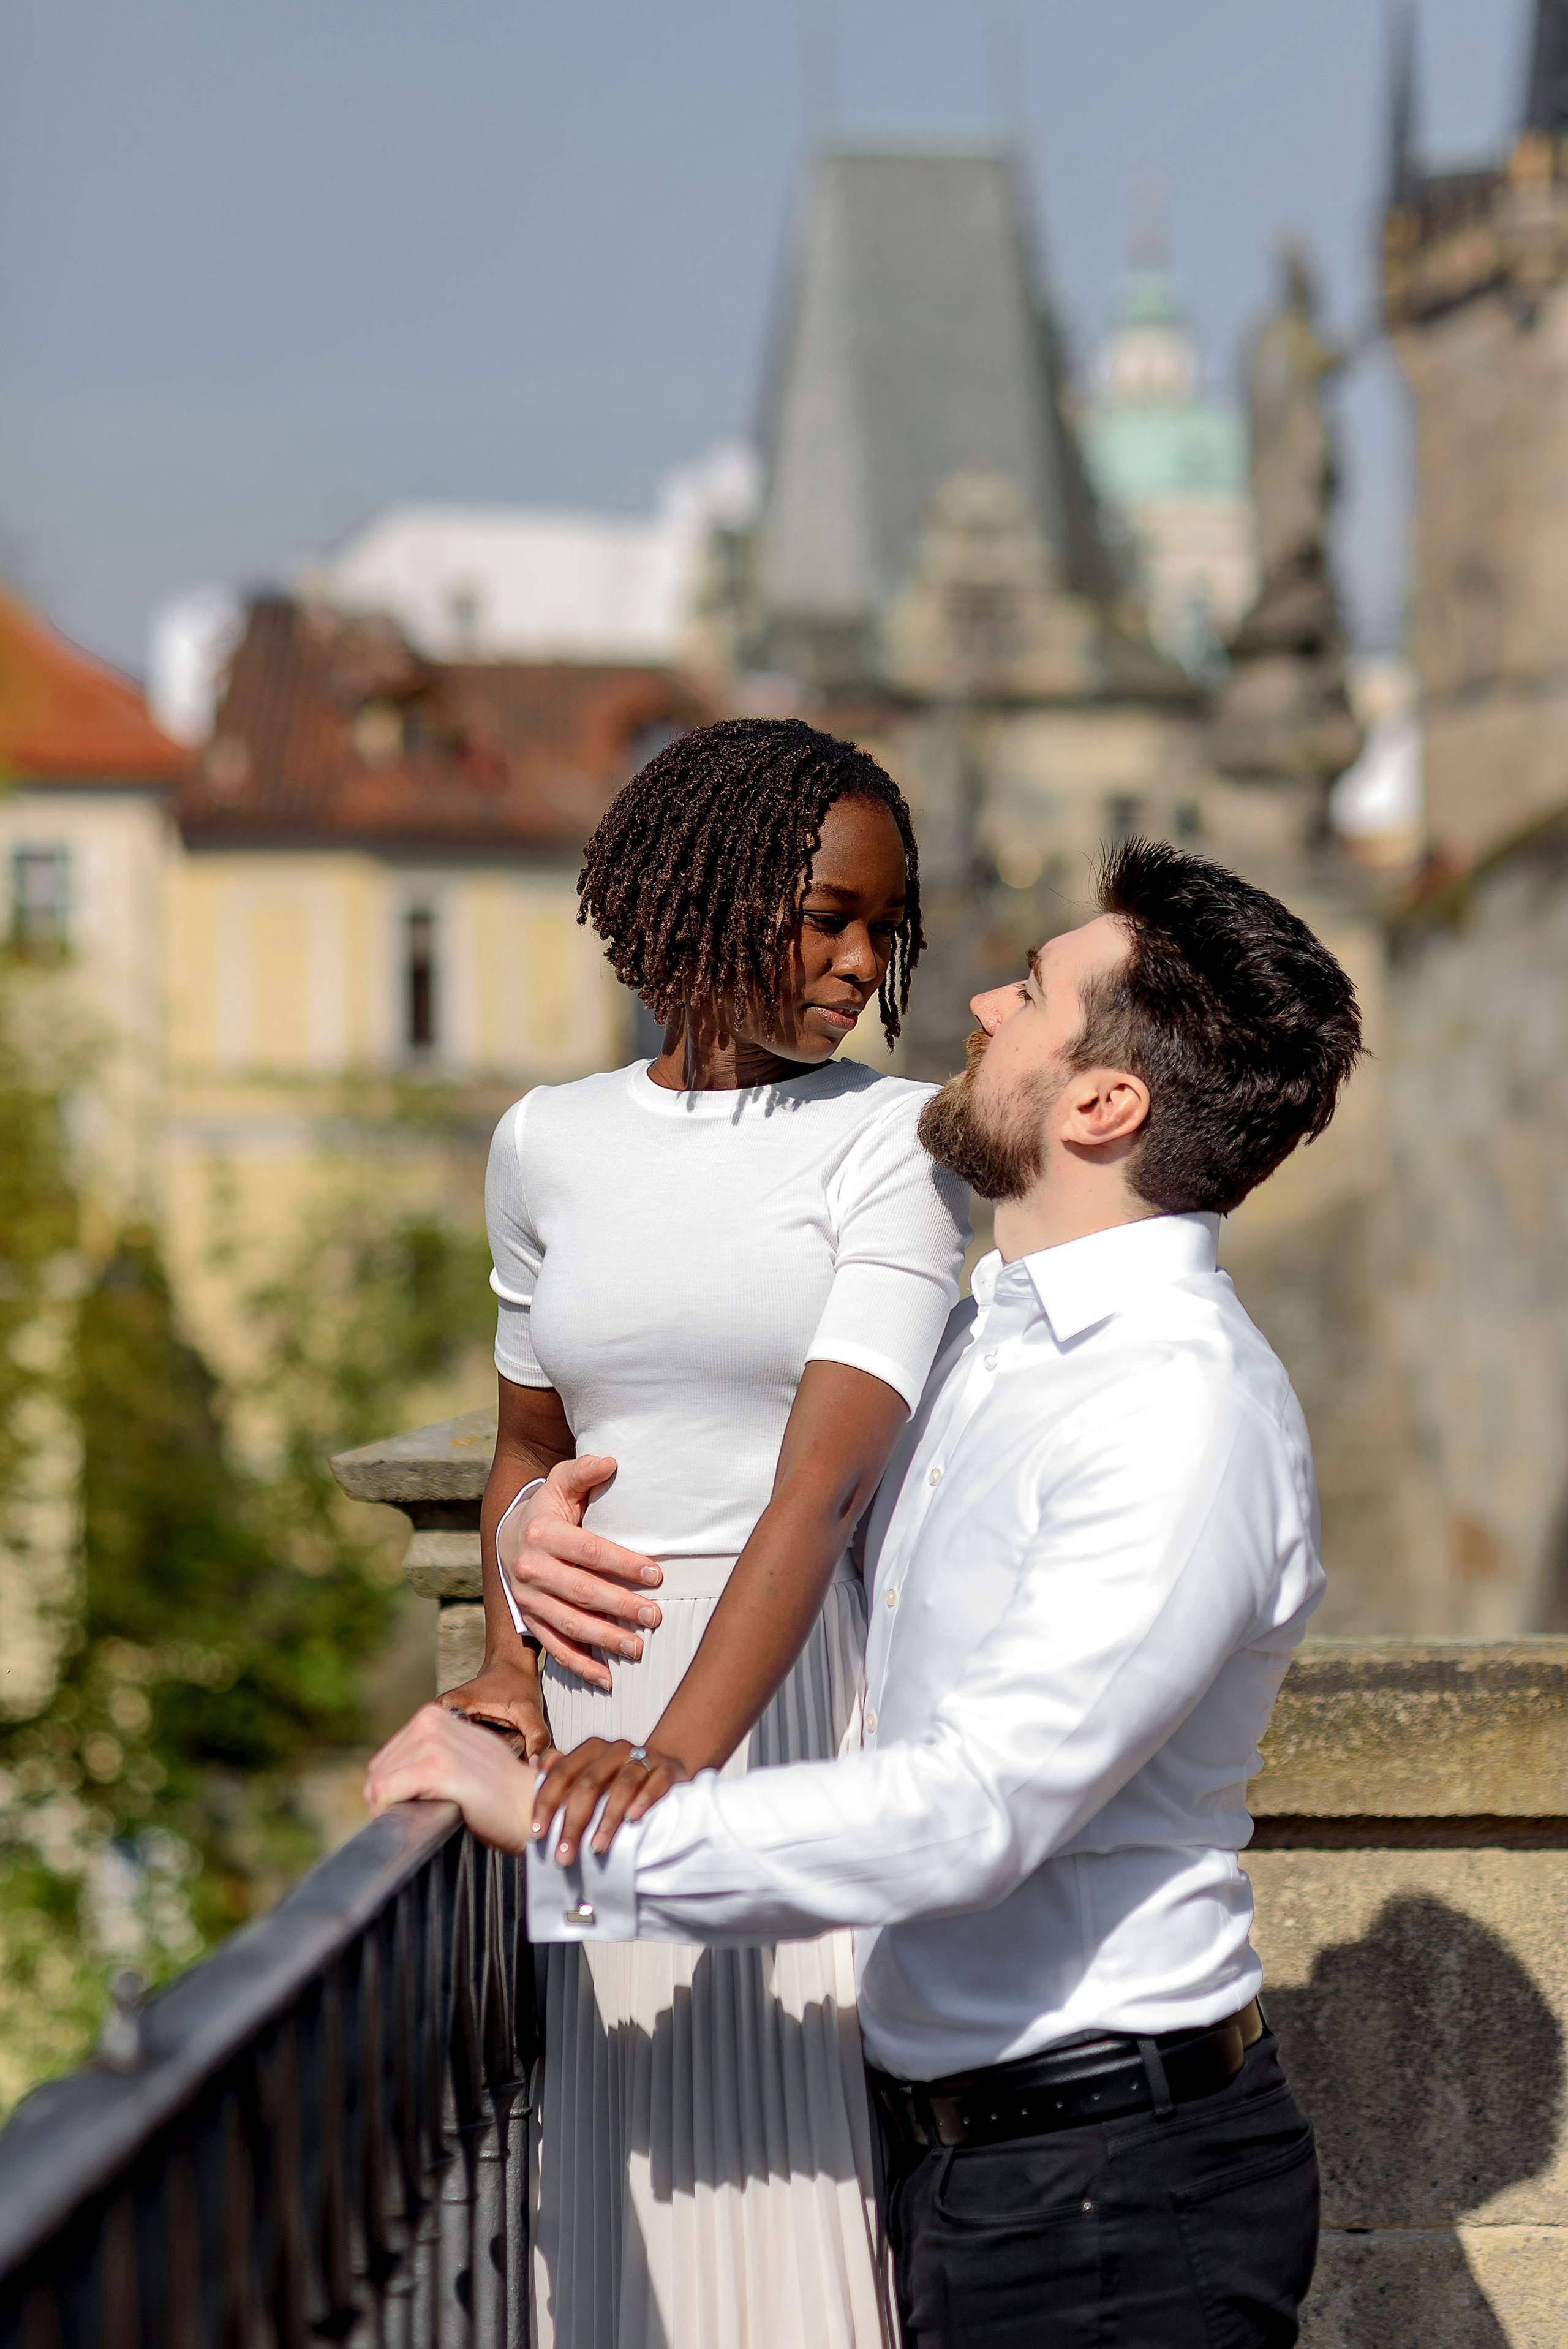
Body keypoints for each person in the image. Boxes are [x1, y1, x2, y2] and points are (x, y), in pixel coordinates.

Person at [368, 838, 1363, 2348]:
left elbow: (972, 1812)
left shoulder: (1178, 1415)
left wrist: (564, 1826)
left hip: (1105, 2196)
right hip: (970, 2157)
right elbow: (753, 1513)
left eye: (1027, 996)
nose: (969, 1001)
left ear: (1101, 1104)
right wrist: (534, 1544)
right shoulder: (990, 1352)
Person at [433, 716, 968, 2349]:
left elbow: (817, 1487)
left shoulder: (903, 1142)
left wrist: (670, 1766)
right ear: (714, 894)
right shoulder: (546, 1143)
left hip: (782, 1711)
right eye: (828, 916)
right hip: (595, 1734)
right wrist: (517, 1670)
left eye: (883, 924)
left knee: (795, 2198)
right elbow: (531, 1449)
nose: (861, 960)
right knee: (619, 2203)